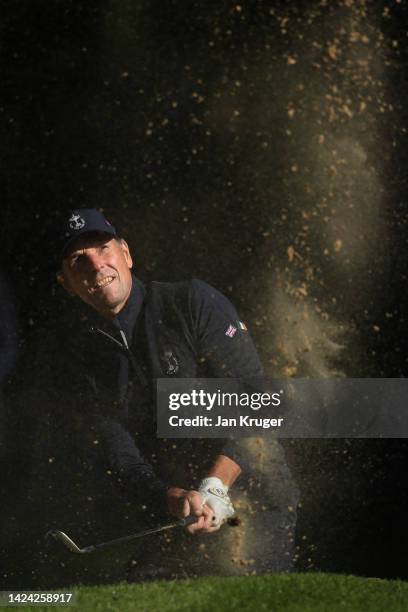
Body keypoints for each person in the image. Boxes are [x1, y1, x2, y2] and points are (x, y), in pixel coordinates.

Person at [56, 208, 299, 578]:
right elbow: (120, 456)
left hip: (252, 484)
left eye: (103, 249)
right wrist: (170, 497)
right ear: (66, 283)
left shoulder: (190, 302)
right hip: (183, 505)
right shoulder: (84, 359)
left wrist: (216, 484)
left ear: (126, 254)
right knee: (140, 589)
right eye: (78, 260)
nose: (95, 265)